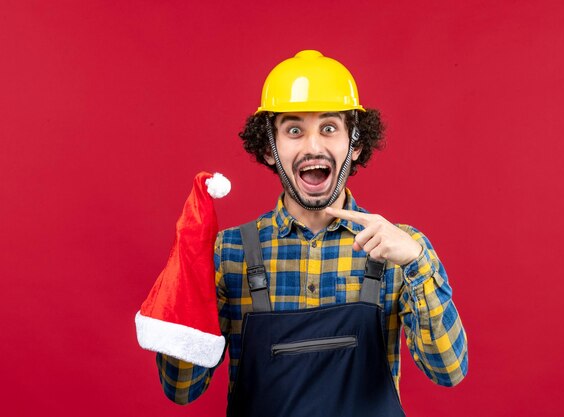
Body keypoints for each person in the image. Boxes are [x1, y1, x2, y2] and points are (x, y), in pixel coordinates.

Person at [156, 50, 468, 416]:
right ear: (270, 150)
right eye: (293, 130)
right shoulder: (230, 253)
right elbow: (181, 389)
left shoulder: (401, 250)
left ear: (356, 144)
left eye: (329, 128)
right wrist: (187, 277)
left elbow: (448, 370)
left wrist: (417, 262)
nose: (313, 146)